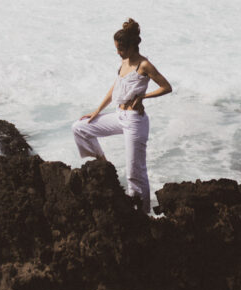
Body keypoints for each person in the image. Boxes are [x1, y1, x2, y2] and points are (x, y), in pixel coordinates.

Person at [72, 18, 172, 213]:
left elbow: (166, 87)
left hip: (135, 121)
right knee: (79, 128)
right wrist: (97, 111)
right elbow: (115, 88)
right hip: (119, 115)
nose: (118, 52)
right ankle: (103, 163)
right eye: (117, 48)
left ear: (132, 46)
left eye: (121, 49)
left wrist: (143, 96)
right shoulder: (124, 62)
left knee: (135, 174)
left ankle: (143, 214)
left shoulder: (144, 65)